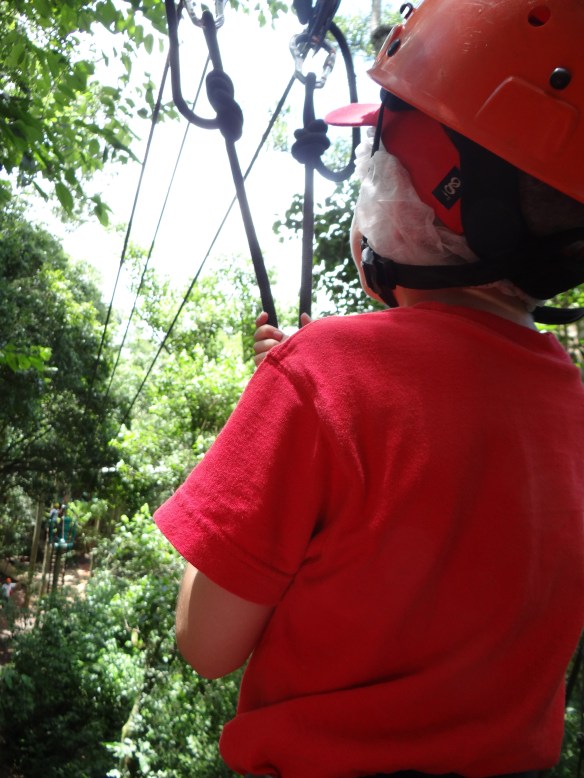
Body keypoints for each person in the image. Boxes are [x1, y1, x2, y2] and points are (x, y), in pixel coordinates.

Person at [154, 1, 584, 776]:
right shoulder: (573, 408)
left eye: (375, 156)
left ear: (433, 187)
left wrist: (277, 422)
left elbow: (205, 645)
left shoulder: (320, 378)